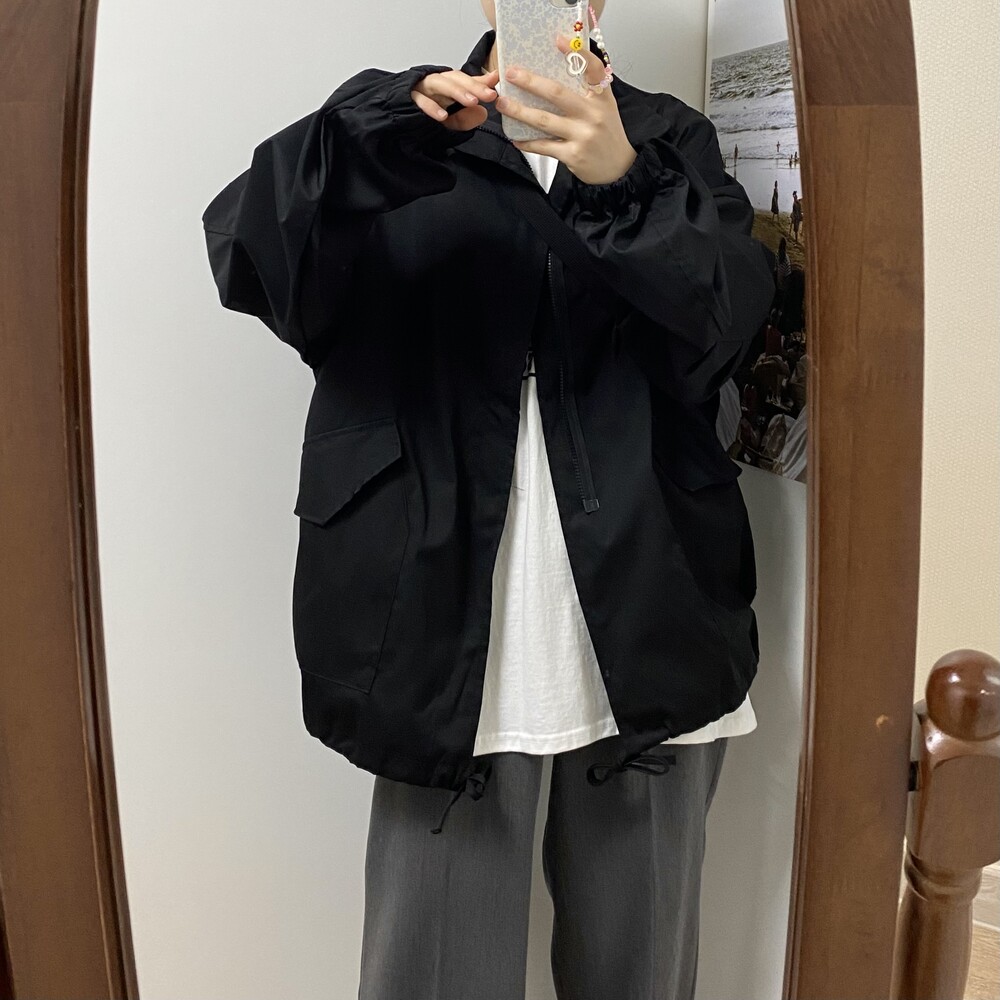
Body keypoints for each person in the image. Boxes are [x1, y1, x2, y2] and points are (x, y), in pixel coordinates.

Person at [202, 3, 776, 997]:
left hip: (652, 604)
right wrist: (382, 129)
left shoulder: (667, 136)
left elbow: (724, 332)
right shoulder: (393, 128)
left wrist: (624, 179)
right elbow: (253, 261)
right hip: (436, 618)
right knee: (434, 971)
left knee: (640, 967)